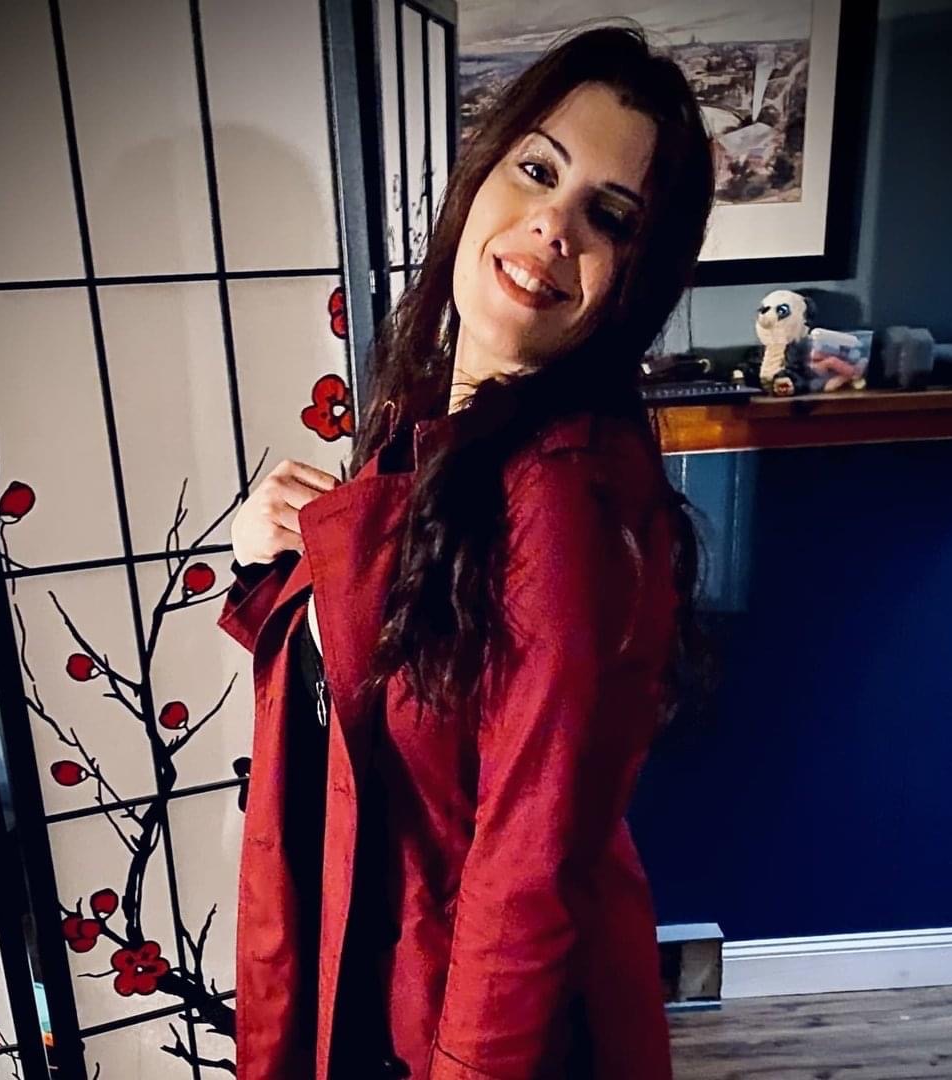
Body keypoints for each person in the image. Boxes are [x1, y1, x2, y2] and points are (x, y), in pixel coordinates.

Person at [219, 21, 713, 1080]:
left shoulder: (561, 498)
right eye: (539, 169)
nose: (552, 227)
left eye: (608, 216)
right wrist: (274, 562)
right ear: (483, 170)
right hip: (383, 960)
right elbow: (390, 691)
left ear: (639, 277)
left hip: (463, 1021)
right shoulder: (437, 426)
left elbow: (523, 869)